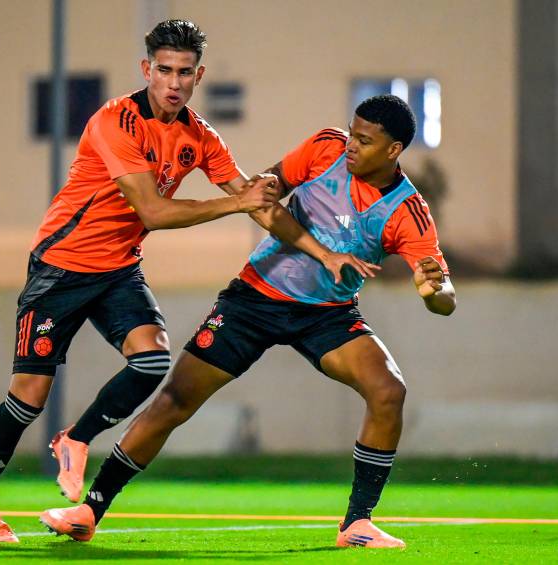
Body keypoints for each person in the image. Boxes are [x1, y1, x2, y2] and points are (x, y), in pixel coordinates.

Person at [39, 94, 457, 550]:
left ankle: (357, 523)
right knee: (176, 399)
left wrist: (433, 289)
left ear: (394, 150)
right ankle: (89, 510)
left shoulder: (408, 211)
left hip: (327, 315)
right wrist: (266, 188)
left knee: (388, 390)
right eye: (352, 133)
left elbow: (443, 300)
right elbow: (266, 187)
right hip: (254, 299)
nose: (351, 146)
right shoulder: (325, 148)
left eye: (365, 141)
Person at [0, 19, 284, 543]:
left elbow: (254, 200)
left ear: (198, 76)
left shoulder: (200, 135)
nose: (173, 82)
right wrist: (239, 202)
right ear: (146, 69)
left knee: (152, 359)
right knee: (28, 398)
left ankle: (77, 439)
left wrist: (320, 246)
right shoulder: (116, 121)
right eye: (163, 70)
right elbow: (153, 211)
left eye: (184, 73)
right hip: (60, 268)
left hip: (118, 271)